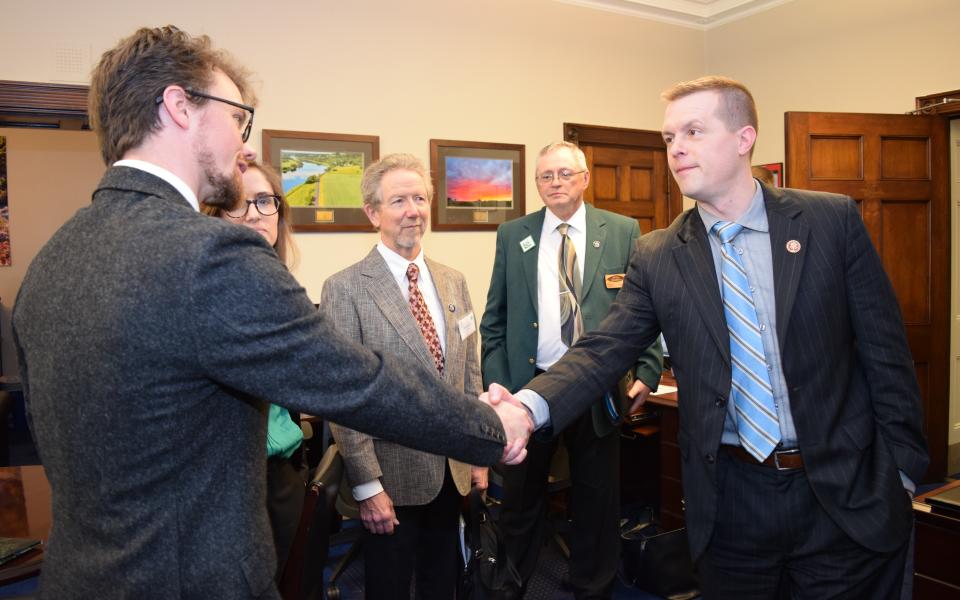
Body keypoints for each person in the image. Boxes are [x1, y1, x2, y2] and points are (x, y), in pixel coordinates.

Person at [11, 26, 532, 599]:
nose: (247, 145)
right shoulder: (211, 255)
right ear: (180, 107)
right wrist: (490, 427)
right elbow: (355, 381)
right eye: (239, 117)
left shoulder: (51, 260)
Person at [500, 76, 928, 598]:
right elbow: (602, 351)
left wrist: (903, 472)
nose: (676, 148)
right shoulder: (659, 254)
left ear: (744, 138)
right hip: (731, 503)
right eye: (669, 138)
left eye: (694, 131)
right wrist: (527, 409)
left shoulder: (828, 221)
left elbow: (887, 354)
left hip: (839, 494)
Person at [480, 141, 662, 599]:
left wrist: (647, 367)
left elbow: (645, 307)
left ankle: (592, 586)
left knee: (597, 498)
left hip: (597, 387)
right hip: (529, 388)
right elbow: (494, 319)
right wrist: (499, 384)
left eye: (564, 174)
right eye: (546, 176)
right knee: (520, 499)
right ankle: (510, 586)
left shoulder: (622, 231)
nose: (555, 182)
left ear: (584, 178)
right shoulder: (513, 234)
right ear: (537, 184)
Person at [323, 153, 488, 599]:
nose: (412, 210)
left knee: (444, 584)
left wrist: (477, 452)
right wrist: (367, 483)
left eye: (419, 198)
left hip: (452, 471)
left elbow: (469, 374)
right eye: (398, 201)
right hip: (390, 480)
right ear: (373, 212)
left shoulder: (453, 281)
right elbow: (344, 397)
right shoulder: (346, 288)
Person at [203, 160, 305, 580]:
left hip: (280, 473)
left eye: (265, 202)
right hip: (226, 485)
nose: (254, 215)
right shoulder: (204, 292)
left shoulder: (281, 289)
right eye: (237, 204)